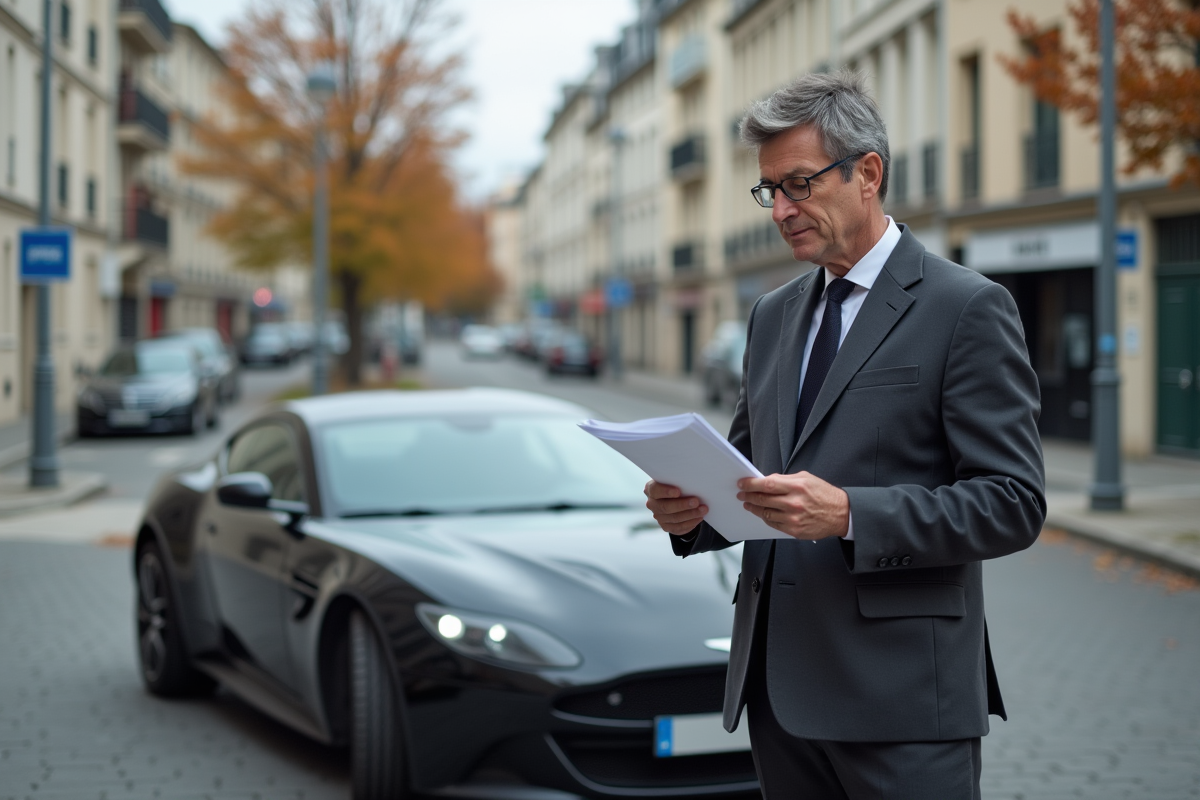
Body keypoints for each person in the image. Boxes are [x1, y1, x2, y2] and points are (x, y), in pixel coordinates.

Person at [644, 70, 1045, 799]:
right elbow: (748, 473)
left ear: (868, 174)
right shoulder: (771, 316)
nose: (781, 209)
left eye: (799, 183)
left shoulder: (966, 307)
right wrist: (692, 515)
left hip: (902, 702)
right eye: (770, 190)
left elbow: (1012, 502)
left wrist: (852, 513)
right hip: (777, 694)